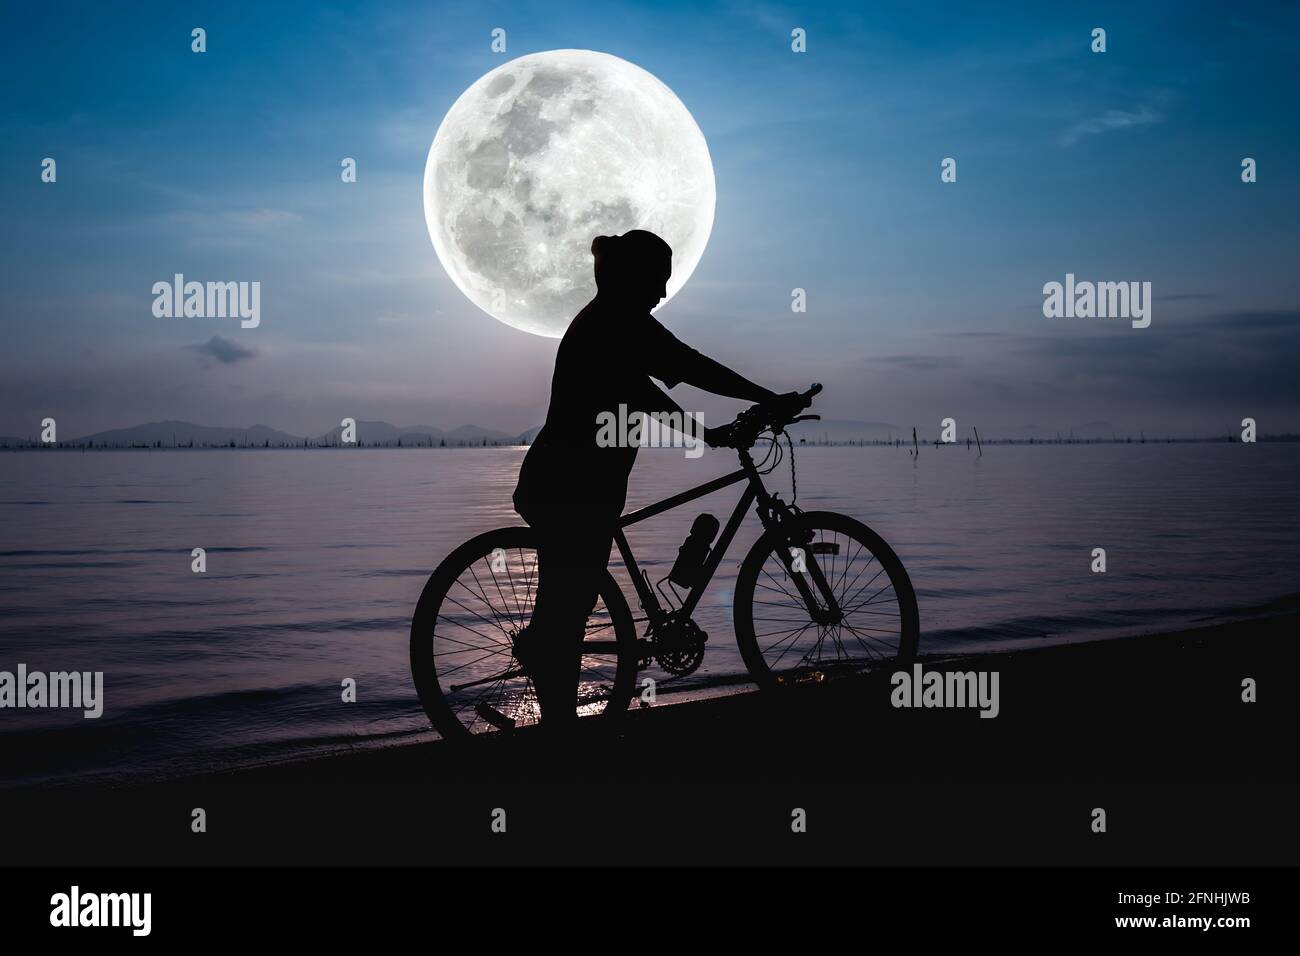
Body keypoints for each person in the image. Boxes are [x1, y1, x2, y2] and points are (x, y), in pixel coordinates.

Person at [512, 229, 786, 727]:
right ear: (633, 277)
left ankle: (558, 729)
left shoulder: (615, 323)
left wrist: (712, 428)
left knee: (567, 607)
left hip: (572, 485)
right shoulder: (616, 325)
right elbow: (685, 370)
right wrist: (759, 401)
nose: (662, 294)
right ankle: (558, 733)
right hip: (570, 488)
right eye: (657, 281)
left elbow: (652, 392)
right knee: (567, 613)